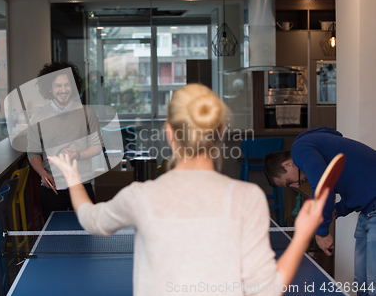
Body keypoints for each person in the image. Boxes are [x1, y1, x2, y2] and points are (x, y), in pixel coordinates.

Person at [48, 83, 328, 296]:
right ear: (220, 132)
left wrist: (72, 174)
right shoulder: (248, 198)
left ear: (170, 133)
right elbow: (267, 288)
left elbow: (90, 219)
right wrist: (303, 233)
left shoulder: (141, 196)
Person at [264, 126, 376, 295]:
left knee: (373, 283)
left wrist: (322, 232)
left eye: (289, 182)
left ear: (288, 164)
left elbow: (324, 188)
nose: (296, 185)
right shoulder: (318, 149)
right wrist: (336, 212)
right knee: (361, 283)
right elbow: (355, 192)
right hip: (368, 210)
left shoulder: (300, 149)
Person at [27, 61, 102, 221]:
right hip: (52, 187)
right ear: (49, 88)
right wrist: (43, 174)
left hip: (82, 185)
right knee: (54, 240)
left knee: (88, 237)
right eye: (58, 85)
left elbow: (97, 146)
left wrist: (79, 154)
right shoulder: (37, 118)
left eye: (67, 85)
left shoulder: (88, 113)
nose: (63, 90)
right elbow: (33, 152)